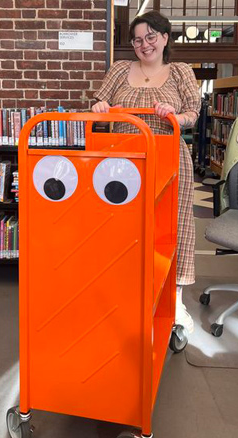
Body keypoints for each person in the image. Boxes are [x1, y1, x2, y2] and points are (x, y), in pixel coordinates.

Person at [92, 10, 201, 334]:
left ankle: (174, 300)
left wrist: (175, 116)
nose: (144, 44)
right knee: (125, 228)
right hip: (122, 164)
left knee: (174, 226)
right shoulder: (120, 69)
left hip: (169, 158)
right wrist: (99, 107)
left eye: (151, 36)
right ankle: (125, 293)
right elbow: (100, 104)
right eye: (138, 39)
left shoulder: (180, 72)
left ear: (165, 38)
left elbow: (193, 112)